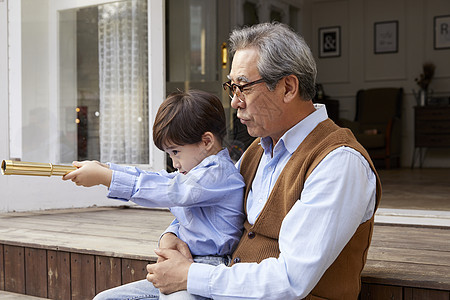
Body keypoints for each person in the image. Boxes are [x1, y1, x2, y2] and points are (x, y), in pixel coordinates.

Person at [145, 22, 382, 300]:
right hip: (223, 286)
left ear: (288, 87)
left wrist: (190, 275)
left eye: (243, 87)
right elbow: (213, 206)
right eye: (231, 87)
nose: (234, 102)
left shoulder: (339, 162)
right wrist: (170, 236)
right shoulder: (256, 151)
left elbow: (291, 281)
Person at [63, 90, 246, 300]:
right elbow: (162, 179)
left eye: (176, 152)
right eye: (169, 155)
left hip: (208, 269)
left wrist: (107, 177)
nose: (174, 164)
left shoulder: (218, 174)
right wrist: (105, 168)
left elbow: (169, 190)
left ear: (206, 141)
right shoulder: (195, 175)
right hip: (182, 263)